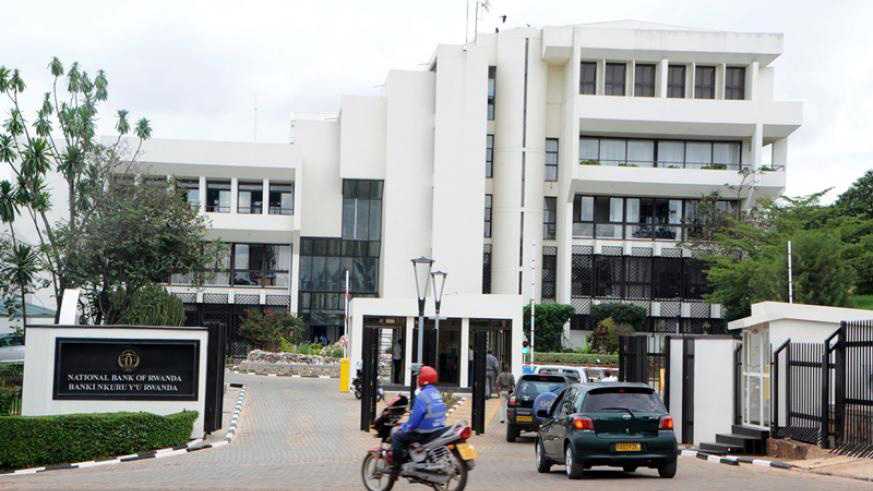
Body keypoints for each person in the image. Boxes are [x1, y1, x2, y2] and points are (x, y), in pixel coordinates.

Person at [390, 365, 447, 475]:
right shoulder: (436, 393)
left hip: (424, 432)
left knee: (397, 436)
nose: (417, 379)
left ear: (423, 379)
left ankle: (396, 467)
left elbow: (414, 420)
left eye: (418, 377)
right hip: (438, 429)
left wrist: (405, 427)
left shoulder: (422, 395)